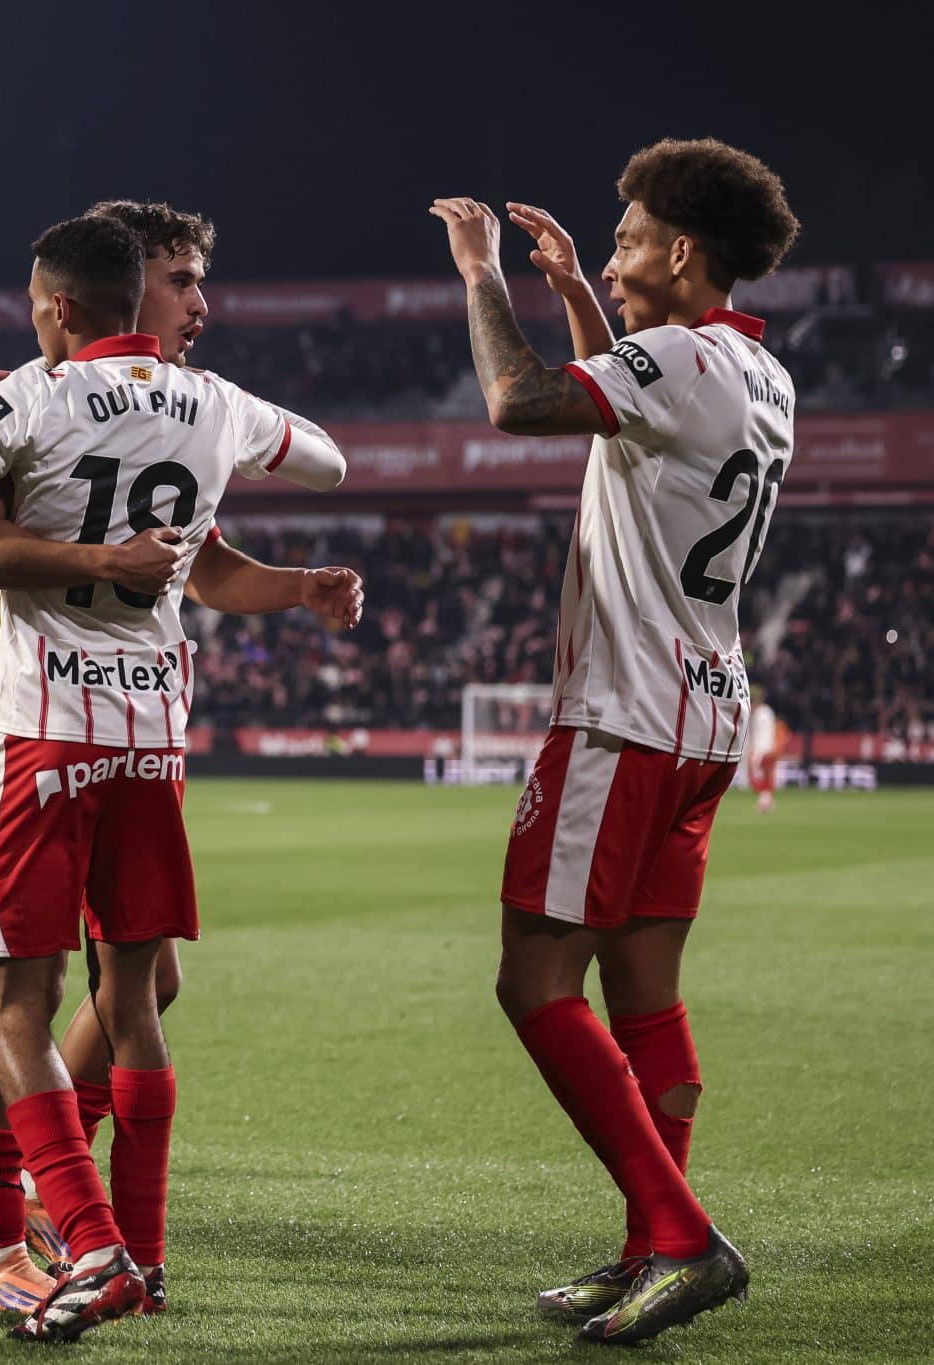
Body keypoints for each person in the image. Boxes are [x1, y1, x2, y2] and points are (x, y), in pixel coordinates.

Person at [0, 216, 354, 1342]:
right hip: (148, 740)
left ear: (58, 307)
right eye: (182, 283)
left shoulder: (23, 399)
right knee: (134, 998)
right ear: (140, 297)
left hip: (37, 732)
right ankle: (142, 1250)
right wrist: (226, 456)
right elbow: (325, 457)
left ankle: (84, 1246)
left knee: (12, 1006)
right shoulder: (211, 400)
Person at [430, 136, 800, 1344]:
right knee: (643, 996)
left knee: (532, 980)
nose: (620, 245)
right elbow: (631, 422)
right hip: (703, 718)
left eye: (631, 234)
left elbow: (515, 403)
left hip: (621, 715)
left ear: (682, 251)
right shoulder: (757, 374)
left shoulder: (680, 359)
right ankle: (652, 1242)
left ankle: (681, 1237)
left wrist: (481, 274)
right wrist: (585, 295)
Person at [747, 686, 783, 812]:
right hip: (767, 749)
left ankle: (765, 801)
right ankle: (766, 800)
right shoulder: (765, 712)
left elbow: (761, 735)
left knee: (757, 777)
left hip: (763, 750)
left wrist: (755, 753)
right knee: (765, 777)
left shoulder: (761, 714)